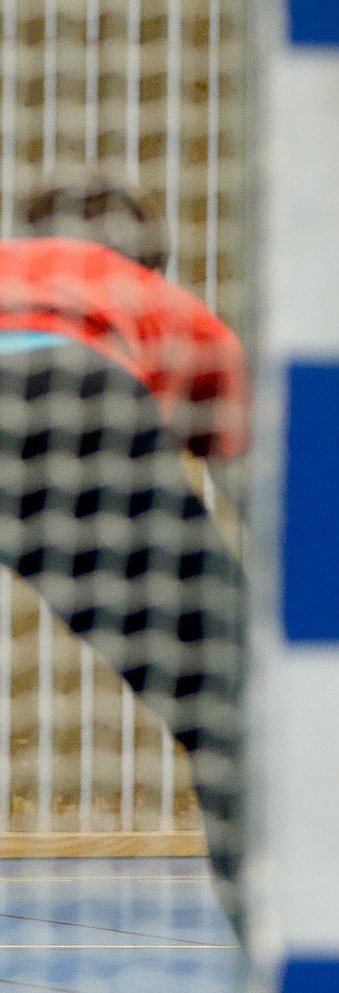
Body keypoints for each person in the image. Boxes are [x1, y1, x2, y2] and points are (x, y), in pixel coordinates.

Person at [0, 178, 250, 941]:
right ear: (151, 258)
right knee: (233, 703)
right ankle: (275, 942)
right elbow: (260, 505)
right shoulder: (175, 311)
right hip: (79, 401)